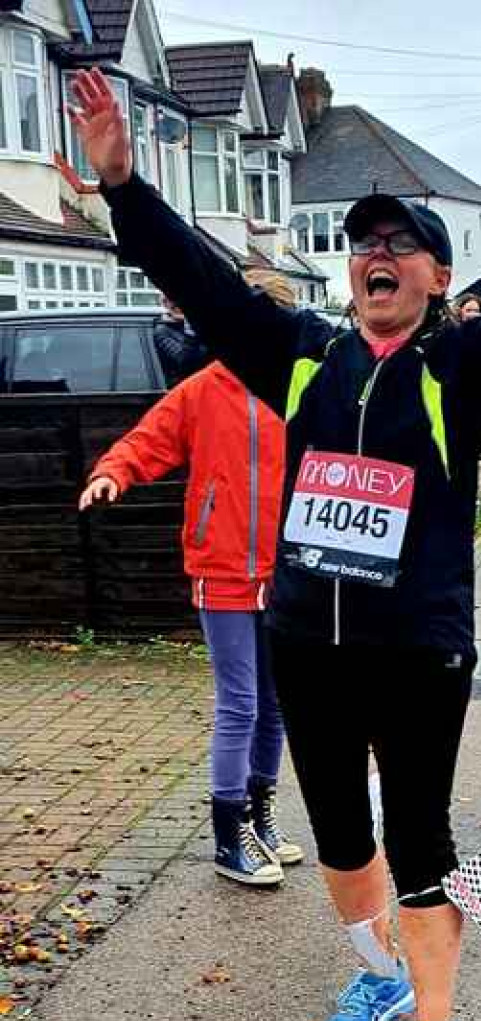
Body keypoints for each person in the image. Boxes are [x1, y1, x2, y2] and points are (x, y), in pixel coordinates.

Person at [69, 50, 481, 1021]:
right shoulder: (302, 357)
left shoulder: (462, 371)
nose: (377, 255)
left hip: (416, 651)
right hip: (306, 639)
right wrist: (123, 186)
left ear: (439, 278)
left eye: (401, 245)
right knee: (343, 841)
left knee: (423, 847)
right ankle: (378, 973)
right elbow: (208, 287)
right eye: (364, 245)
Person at [79, 269, 303, 889]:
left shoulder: (298, 388)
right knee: (240, 703)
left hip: (282, 574)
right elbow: (146, 441)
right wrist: (113, 474)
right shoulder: (205, 389)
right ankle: (228, 838)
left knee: (276, 707)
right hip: (222, 568)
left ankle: (259, 818)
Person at [153, 298, 208, 387]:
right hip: (183, 387)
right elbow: (184, 360)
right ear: (166, 304)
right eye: (176, 306)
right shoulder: (162, 330)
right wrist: (190, 331)